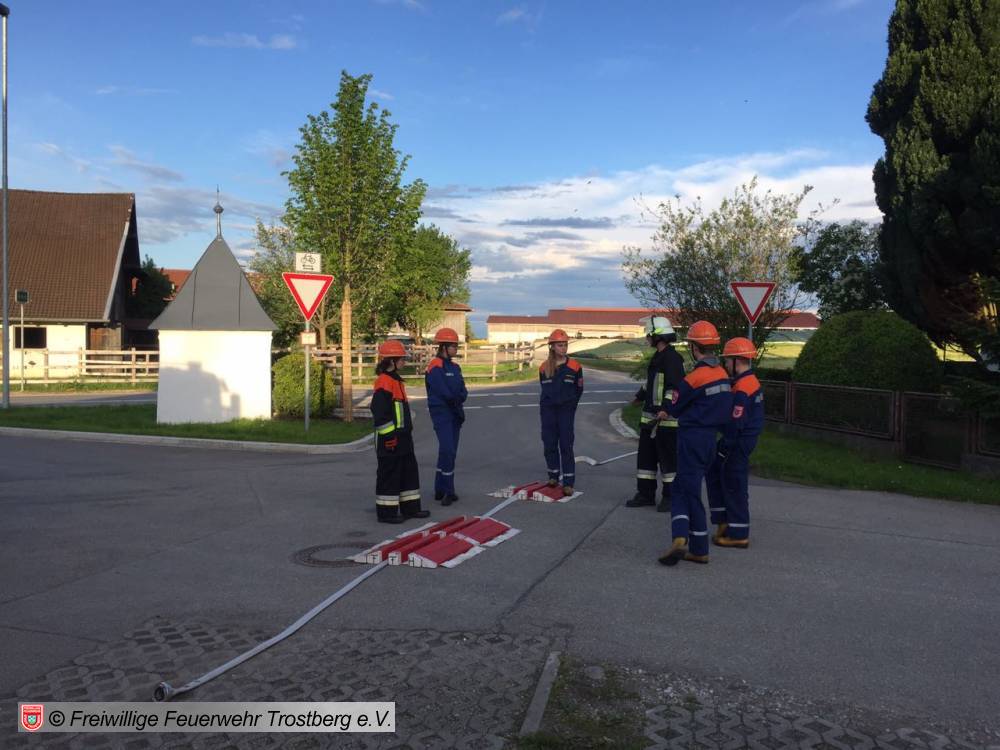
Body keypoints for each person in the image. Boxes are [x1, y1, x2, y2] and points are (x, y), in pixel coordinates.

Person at [658, 321, 732, 566]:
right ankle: (696, 547)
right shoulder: (723, 375)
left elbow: (675, 406)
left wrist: (669, 410)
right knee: (686, 488)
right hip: (711, 440)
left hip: (692, 439)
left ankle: (682, 538)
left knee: (685, 490)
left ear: (694, 347)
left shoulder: (694, 378)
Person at [706, 337, 764, 549]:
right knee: (717, 474)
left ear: (737, 360)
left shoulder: (743, 388)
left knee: (734, 484)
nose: (725, 364)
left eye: (727, 360)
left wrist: (725, 446)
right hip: (741, 440)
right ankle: (724, 522)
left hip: (738, 441)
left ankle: (738, 534)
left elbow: (736, 423)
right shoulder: (746, 382)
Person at [627, 315, 686, 512]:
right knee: (646, 460)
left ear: (657, 335)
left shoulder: (672, 359)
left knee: (668, 463)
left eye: (649, 334)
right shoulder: (658, 357)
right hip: (650, 420)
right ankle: (645, 494)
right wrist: (639, 397)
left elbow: (675, 388)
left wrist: (666, 409)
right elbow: (651, 383)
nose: (647, 338)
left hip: (666, 422)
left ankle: (671, 497)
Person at [370, 340, 430, 524]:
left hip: (402, 438)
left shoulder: (395, 380)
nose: (404, 361)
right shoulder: (384, 382)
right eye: (401, 359)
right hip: (390, 440)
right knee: (389, 475)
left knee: (408, 473)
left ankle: (411, 509)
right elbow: (380, 414)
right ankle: (386, 513)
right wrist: (390, 437)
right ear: (391, 361)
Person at [425, 327, 468, 507]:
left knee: (447, 451)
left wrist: (460, 397)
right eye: (453, 346)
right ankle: (449, 491)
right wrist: (454, 399)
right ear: (443, 346)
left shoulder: (455, 367)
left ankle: (439, 488)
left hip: (455, 413)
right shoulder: (435, 366)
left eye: (456, 346)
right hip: (442, 413)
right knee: (448, 450)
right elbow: (442, 390)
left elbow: (462, 389)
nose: (456, 349)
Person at [539, 329, 584, 495]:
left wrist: (571, 406)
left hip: (566, 411)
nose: (563, 348)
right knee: (549, 443)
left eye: (565, 345)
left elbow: (579, 389)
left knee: (566, 445)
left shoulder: (575, 366)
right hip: (548, 411)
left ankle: (568, 482)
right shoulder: (544, 368)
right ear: (552, 346)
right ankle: (553, 475)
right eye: (559, 345)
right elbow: (544, 389)